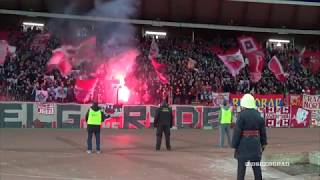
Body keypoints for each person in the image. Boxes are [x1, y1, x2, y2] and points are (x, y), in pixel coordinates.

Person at [232, 94, 267, 180]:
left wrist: (234, 144)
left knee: (241, 170)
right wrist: (263, 144)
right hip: (255, 145)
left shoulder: (241, 116)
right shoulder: (259, 115)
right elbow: (263, 133)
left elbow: (237, 132)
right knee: (257, 169)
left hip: (243, 146)